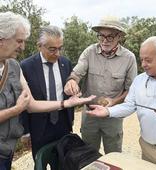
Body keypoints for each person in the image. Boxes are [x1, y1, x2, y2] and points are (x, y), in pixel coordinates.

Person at [0, 11, 95, 170]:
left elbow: (30, 104)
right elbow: (24, 106)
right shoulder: (26, 65)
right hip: (38, 130)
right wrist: (19, 116)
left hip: (7, 149)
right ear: (1, 39)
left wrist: (67, 102)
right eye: (19, 41)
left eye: (60, 48)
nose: (23, 47)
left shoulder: (14, 66)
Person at [87, 36, 156, 169]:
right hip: (148, 150)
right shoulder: (139, 81)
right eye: (142, 59)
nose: (143, 64)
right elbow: (130, 105)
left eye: (148, 60)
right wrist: (108, 111)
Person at [64, 16, 137, 154]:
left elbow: (131, 90)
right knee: (87, 153)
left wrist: (114, 101)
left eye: (110, 37)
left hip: (113, 115)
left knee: (114, 154)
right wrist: (72, 81)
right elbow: (77, 73)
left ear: (119, 36)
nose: (104, 40)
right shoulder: (89, 52)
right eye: (101, 36)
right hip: (90, 113)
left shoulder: (129, 58)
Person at [20, 25, 75, 162]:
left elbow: (69, 93)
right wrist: (25, 131)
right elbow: (23, 101)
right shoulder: (26, 66)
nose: (57, 53)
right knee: (41, 162)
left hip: (63, 124)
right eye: (52, 49)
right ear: (40, 46)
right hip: (39, 127)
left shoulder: (66, 63)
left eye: (60, 48)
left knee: (64, 162)